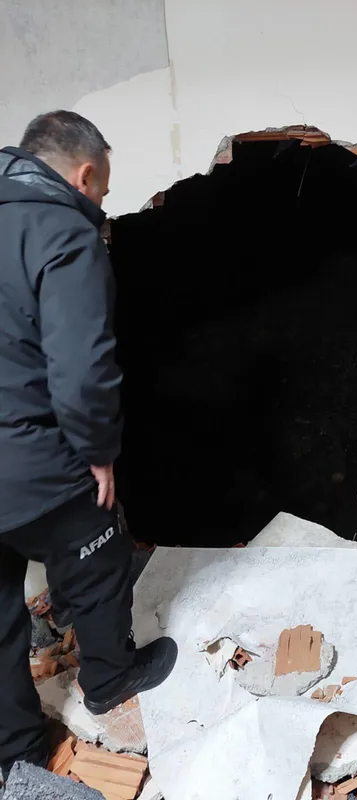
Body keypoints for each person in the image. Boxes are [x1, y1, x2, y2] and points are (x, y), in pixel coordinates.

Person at [0, 111, 177, 776]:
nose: (103, 200)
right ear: (84, 174)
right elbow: (81, 370)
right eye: (103, 187)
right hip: (31, 458)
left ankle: (16, 753)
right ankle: (109, 679)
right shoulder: (63, 232)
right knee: (99, 555)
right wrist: (99, 453)